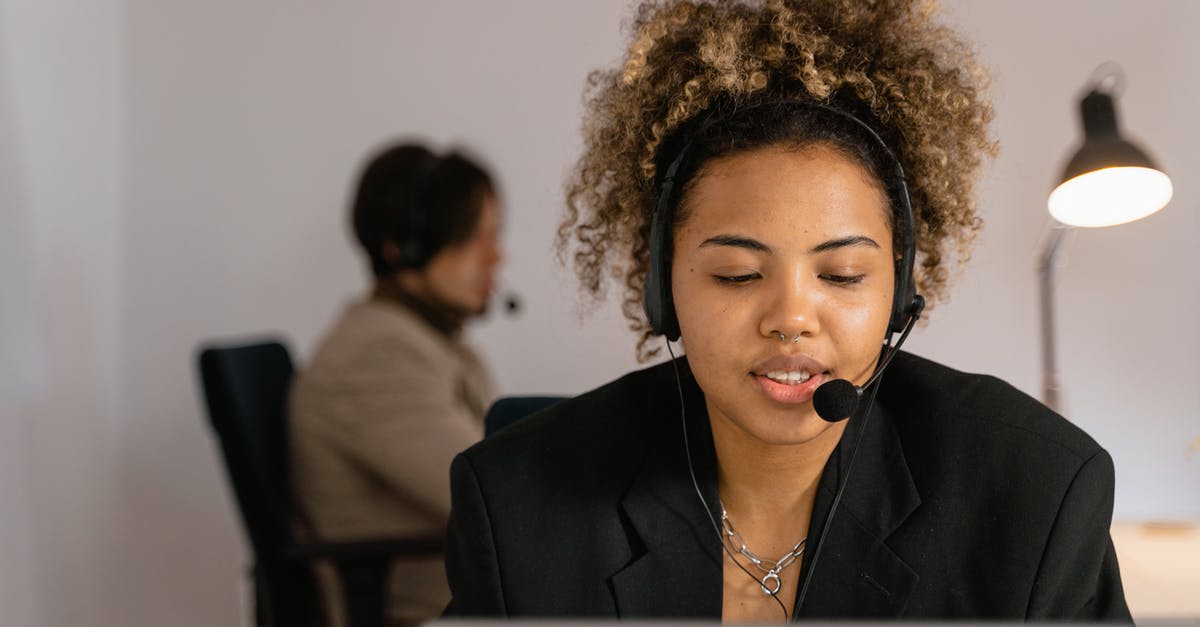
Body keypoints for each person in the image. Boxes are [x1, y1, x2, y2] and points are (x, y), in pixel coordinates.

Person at [442, 0, 1130, 622]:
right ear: (662, 285)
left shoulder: (1037, 497)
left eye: (842, 273)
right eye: (738, 274)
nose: (792, 317)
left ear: (898, 290)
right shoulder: (516, 508)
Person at [290, 142, 503, 626]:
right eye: (471, 237)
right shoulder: (376, 355)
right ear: (401, 248)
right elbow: (493, 499)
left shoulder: (429, 342)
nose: (496, 255)